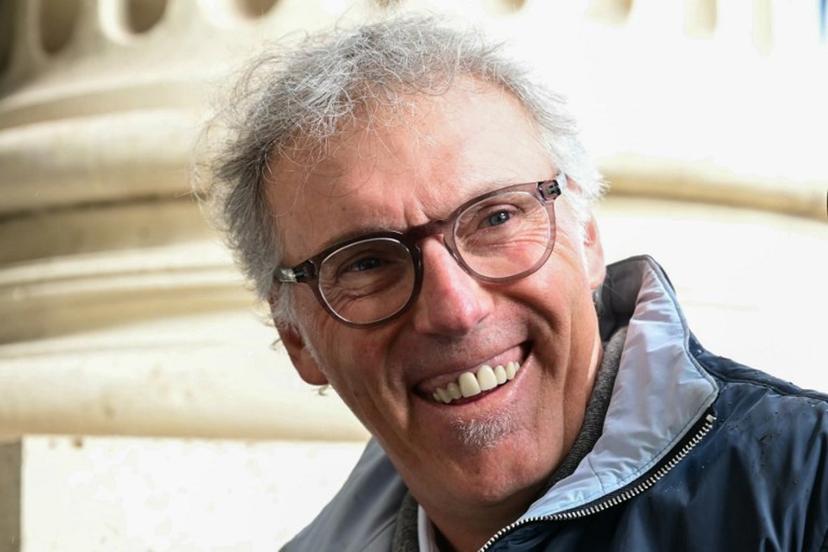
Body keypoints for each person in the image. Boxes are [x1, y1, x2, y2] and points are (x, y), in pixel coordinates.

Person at [204, 16, 828, 551]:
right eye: (367, 263)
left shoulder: (809, 489)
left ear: (586, 237)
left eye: (497, 218)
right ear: (298, 340)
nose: (455, 308)